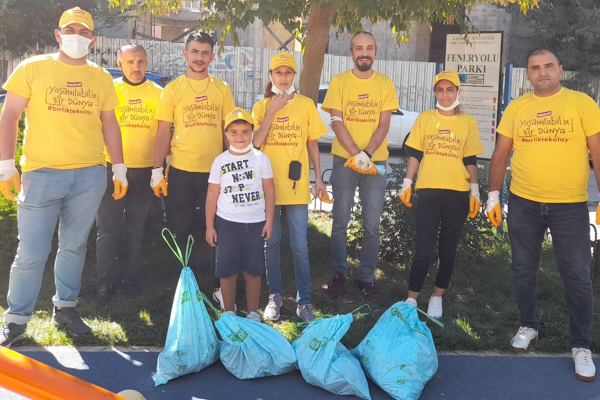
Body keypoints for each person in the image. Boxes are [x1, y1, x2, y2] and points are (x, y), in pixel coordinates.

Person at [0, 7, 126, 347]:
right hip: (41, 174)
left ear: (93, 39)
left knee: (74, 246)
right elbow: (9, 114)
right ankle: (16, 318)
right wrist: (6, 166)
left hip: (88, 175)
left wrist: (119, 168)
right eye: (70, 29)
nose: (76, 36)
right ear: (58, 35)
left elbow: (110, 123)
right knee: (33, 251)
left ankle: (65, 309)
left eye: (84, 31)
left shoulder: (100, 76)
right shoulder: (33, 68)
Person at [487, 47, 600, 381]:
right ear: (528, 74)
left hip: (570, 206)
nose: (543, 72)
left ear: (561, 70)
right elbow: (500, 153)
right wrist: (493, 195)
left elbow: (597, 152)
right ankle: (528, 324)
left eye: (549, 66)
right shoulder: (517, 108)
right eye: (535, 68)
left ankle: (581, 345)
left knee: (577, 276)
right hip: (524, 203)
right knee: (523, 269)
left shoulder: (582, 104)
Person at [151, 32, 235, 308]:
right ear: (185, 54)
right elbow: (163, 132)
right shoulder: (173, 89)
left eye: (205, 52)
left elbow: (229, 132)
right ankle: (184, 285)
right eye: (195, 52)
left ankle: (214, 284)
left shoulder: (222, 88)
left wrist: (232, 166)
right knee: (182, 227)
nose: (200, 57)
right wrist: (157, 167)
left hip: (214, 174)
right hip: (181, 171)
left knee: (214, 229)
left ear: (213, 56)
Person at [321, 31, 399, 301]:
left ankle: (367, 279)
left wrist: (368, 153)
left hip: (375, 163)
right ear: (351, 52)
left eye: (369, 48)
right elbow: (336, 121)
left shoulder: (385, 84)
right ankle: (339, 274)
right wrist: (356, 154)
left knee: (372, 225)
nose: (364, 52)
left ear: (375, 52)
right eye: (359, 48)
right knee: (340, 221)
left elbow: (384, 124)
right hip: (345, 161)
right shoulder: (340, 82)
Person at [399, 70, 484, 318]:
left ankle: (437, 297)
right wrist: (407, 182)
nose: (445, 95)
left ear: (458, 92)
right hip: (428, 190)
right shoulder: (425, 119)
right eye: (440, 90)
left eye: (450, 90)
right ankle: (411, 299)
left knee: (447, 250)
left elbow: (470, 158)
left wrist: (475, 190)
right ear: (435, 92)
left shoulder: (467, 123)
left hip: (457, 193)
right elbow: (415, 153)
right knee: (424, 250)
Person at [252, 52, 327, 322]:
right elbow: (256, 143)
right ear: (271, 76)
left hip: (296, 189)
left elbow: (312, 143)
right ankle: (275, 296)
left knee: (300, 246)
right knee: (270, 243)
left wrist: (319, 178)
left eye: (288, 72)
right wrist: (272, 110)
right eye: (278, 73)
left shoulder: (306, 105)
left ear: (295, 75)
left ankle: (304, 301)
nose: (283, 78)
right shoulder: (261, 106)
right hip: (268, 188)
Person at [94, 44, 163, 304]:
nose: (136, 67)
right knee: (108, 229)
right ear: (119, 64)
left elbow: (163, 132)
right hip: (111, 169)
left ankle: (129, 277)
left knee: (135, 227)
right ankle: (104, 283)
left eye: (141, 62)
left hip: (145, 170)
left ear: (147, 63)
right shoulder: (109, 90)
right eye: (130, 62)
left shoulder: (158, 94)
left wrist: (159, 168)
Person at [205, 107, 275, 322]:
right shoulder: (220, 161)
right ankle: (229, 312)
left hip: (255, 223)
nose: (240, 137)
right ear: (226, 134)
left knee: (253, 270)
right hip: (227, 224)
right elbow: (212, 196)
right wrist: (210, 226)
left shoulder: (261, 159)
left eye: (245, 131)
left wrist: (269, 221)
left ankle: (253, 312)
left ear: (253, 132)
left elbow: (270, 190)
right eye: (234, 132)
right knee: (227, 271)